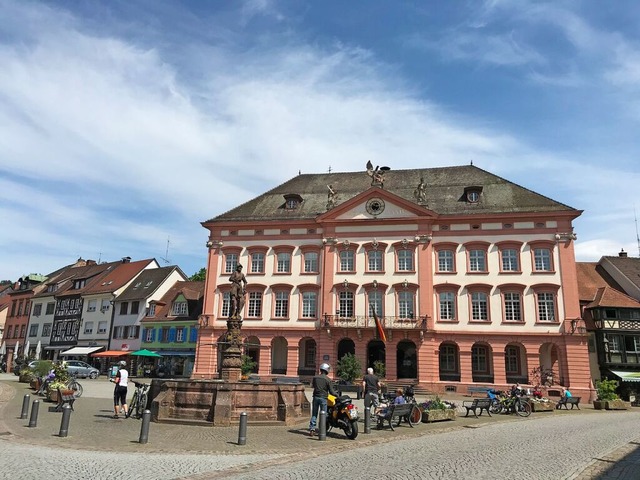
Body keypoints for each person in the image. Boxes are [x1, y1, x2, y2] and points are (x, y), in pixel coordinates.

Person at [308, 363, 338, 436]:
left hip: (315, 397)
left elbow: (313, 386)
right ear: (327, 370)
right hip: (323, 398)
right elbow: (331, 391)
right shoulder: (328, 379)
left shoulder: (315, 377)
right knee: (324, 414)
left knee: (314, 414)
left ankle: (312, 428)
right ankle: (322, 429)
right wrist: (337, 395)